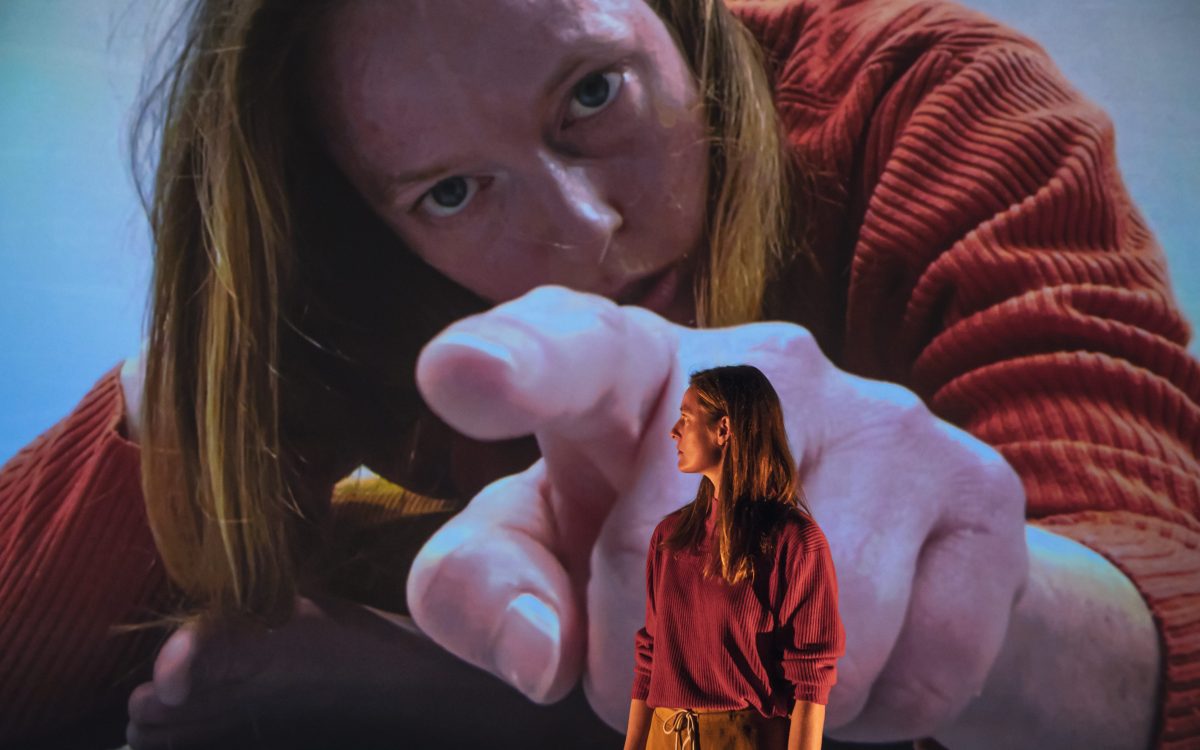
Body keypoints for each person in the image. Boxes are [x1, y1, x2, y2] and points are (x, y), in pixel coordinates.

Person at [0, 0, 1195, 748]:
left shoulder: (931, 103)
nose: (581, 236)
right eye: (451, 190)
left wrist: (471, 705)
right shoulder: (372, 288)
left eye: (592, 93)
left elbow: (1152, 584)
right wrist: (209, 358)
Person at [623, 365, 845, 750]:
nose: (674, 431)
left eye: (686, 418)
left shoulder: (797, 542)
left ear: (724, 429)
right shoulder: (670, 537)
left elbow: (811, 682)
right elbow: (650, 658)